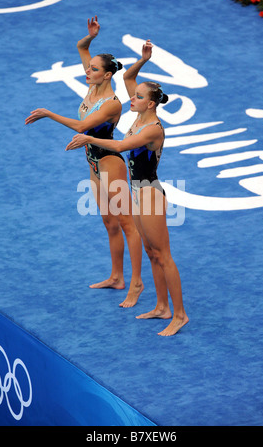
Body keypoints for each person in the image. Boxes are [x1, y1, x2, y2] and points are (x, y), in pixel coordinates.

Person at [66, 40, 189, 336]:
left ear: (151, 103)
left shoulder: (152, 129)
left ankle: (180, 314)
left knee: (163, 254)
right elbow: (127, 78)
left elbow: (120, 146)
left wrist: (90, 139)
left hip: (150, 194)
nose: (130, 99)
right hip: (138, 192)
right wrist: (143, 60)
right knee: (151, 252)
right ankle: (161, 307)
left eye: (137, 98)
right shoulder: (139, 116)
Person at [25, 16, 144, 308]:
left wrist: (49, 113)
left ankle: (137, 283)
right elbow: (81, 48)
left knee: (127, 223)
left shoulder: (112, 103)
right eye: (89, 68)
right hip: (92, 165)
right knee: (108, 222)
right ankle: (117, 277)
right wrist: (90, 38)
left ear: (106, 75)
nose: (87, 71)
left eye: (93, 69)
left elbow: (82, 127)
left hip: (109, 162)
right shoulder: (94, 85)